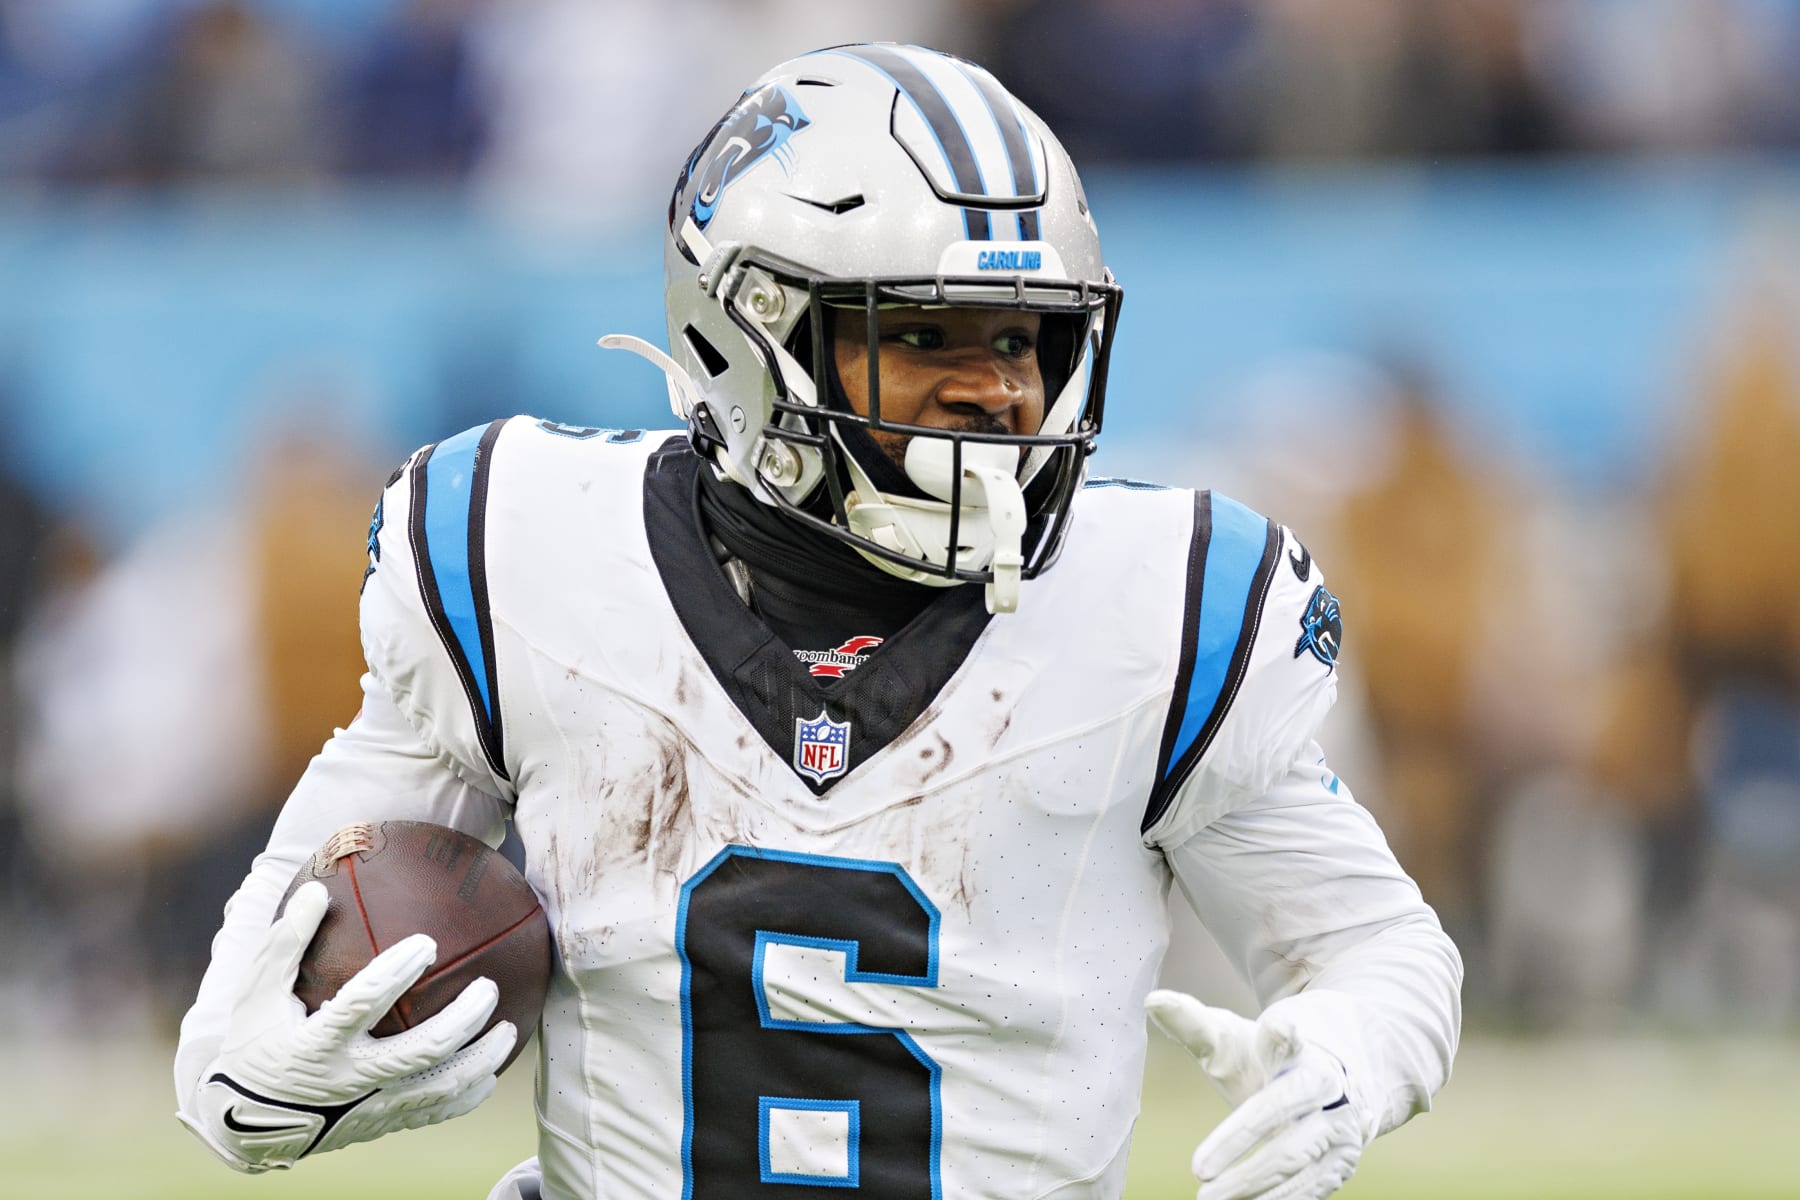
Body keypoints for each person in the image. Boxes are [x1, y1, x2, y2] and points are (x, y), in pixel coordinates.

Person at [174, 43, 1461, 1200]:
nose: (998, 393)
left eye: (1027, 342)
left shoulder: (1158, 606)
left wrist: (1351, 1057)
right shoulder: (525, 556)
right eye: (927, 336)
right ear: (752, 334)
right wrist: (271, 1082)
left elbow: (1380, 949)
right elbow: (239, 1033)